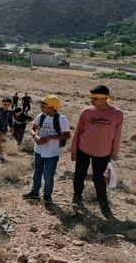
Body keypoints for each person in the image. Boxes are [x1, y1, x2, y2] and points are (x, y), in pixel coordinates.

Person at [71, 85, 123, 217]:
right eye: (91, 97)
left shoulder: (117, 114)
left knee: (99, 180)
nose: (92, 101)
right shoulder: (86, 112)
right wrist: (74, 149)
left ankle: (104, 206)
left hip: (103, 153)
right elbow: (78, 131)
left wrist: (114, 153)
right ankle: (77, 197)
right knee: (79, 175)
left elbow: (117, 135)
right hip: (83, 149)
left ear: (105, 98)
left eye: (95, 98)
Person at [22, 95, 71, 203]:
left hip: (52, 153)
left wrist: (50, 137)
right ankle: (35, 192)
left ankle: (47, 195)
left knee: (48, 176)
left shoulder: (62, 119)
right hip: (39, 150)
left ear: (52, 107)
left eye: (44, 105)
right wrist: (35, 136)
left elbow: (67, 135)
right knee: (37, 172)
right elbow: (32, 128)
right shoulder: (41, 116)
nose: (41, 106)